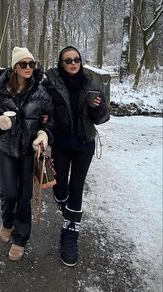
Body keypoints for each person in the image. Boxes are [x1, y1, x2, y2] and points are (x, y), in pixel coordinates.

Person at [0, 47, 54, 261]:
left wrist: (44, 133)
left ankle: (20, 239)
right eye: (23, 64)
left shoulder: (41, 92)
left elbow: (50, 119)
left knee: (24, 196)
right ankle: (7, 222)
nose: (29, 68)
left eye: (32, 64)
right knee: (8, 193)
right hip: (5, 149)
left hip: (29, 152)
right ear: (15, 67)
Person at [42, 46, 110, 266]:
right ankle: (64, 202)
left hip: (84, 143)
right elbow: (38, 103)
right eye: (68, 60)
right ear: (61, 63)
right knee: (60, 187)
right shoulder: (50, 84)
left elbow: (102, 118)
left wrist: (96, 109)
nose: (73, 63)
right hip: (61, 143)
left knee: (77, 187)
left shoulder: (91, 84)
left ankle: (70, 235)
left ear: (81, 61)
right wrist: (43, 117)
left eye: (76, 59)